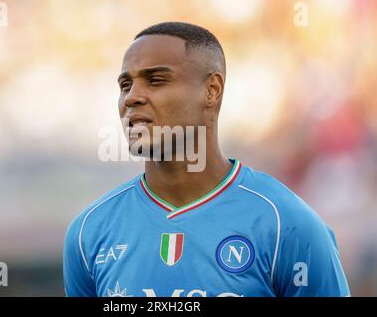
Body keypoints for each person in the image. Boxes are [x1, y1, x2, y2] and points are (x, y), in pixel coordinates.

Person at [63, 22, 350, 297]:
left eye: (156, 80)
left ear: (211, 90)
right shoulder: (89, 232)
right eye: (126, 85)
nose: (132, 97)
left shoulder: (286, 224)